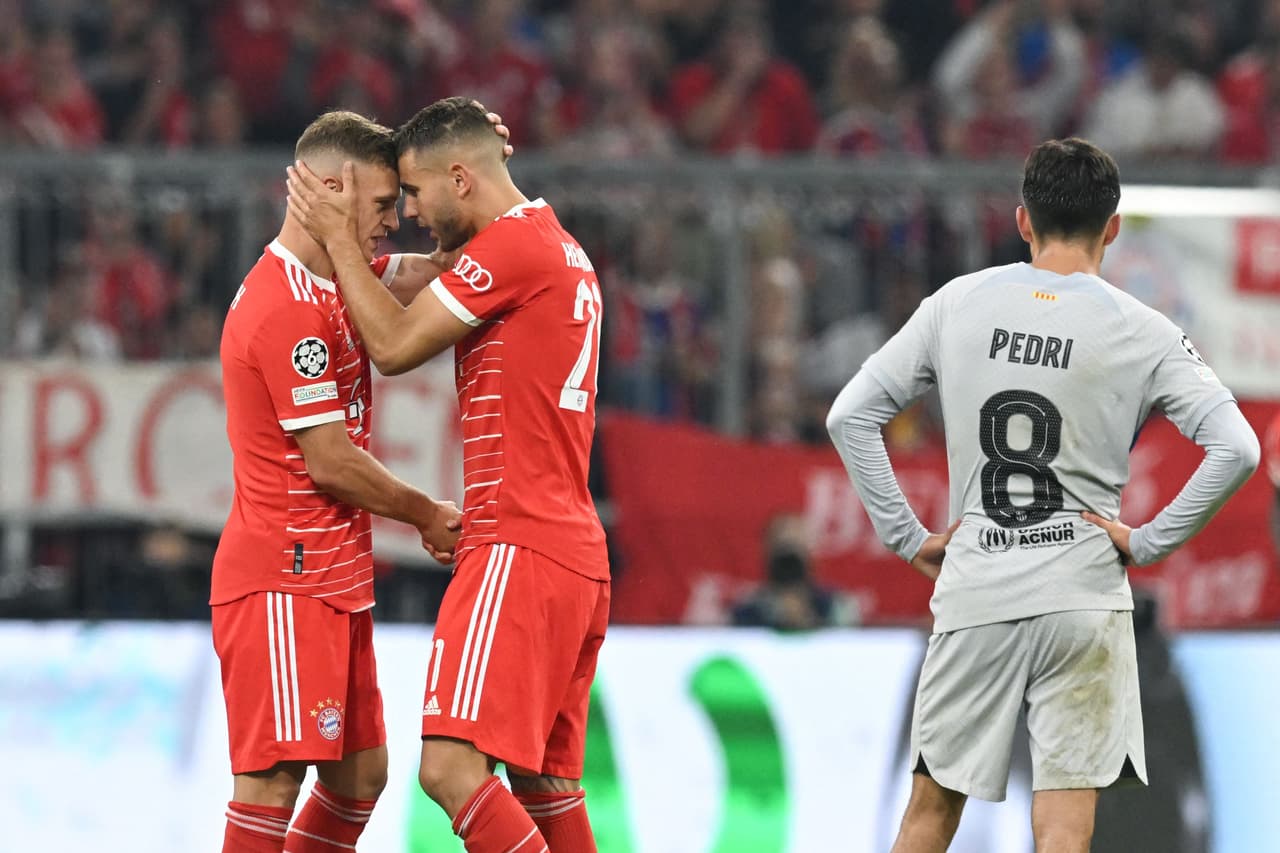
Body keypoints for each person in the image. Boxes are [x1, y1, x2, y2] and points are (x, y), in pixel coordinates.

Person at [825, 137, 1260, 853]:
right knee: (1063, 829)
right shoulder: (1145, 331)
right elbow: (1238, 449)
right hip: (1082, 595)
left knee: (930, 813)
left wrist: (906, 536)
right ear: (1112, 228)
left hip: (977, 589)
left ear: (1023, 219)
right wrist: (1149, 541)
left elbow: (850, 417)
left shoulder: (956, 304)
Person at [286, 96, 609, 853]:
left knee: (450, 767)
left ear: (461, 179)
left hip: (518, 543)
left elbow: (395, 345)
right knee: (546, 787)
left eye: (415, 191)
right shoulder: (554, 246)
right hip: (573, 554)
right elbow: (420, 275)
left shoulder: (512, 248)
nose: (409, 212)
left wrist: (336, 239)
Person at [214, 110, 467, 853]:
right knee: (271, 785)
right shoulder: (287, 308)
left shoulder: (332, 280)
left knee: (360, 777)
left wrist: (484, 205)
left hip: (334, 581)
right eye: (383, 204)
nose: (394, 222)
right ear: (330, 190)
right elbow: (328, 459)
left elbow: (425, 273)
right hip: (283, 580)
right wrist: (423, 511)